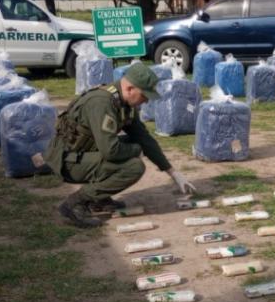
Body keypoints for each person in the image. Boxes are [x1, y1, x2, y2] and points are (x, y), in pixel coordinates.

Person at [44, 63, 196, 227]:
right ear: (130, 88)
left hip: (83, 153)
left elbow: (144, 138)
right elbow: (110, 151)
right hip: (67, 161)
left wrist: (173, 173)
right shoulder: (102, 103)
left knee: (135, 143)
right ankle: (75, 203)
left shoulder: (122, 102)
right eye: (144, 96)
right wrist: (136, 150)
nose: (145, 102)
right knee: (134, 167)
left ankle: (99, 199)